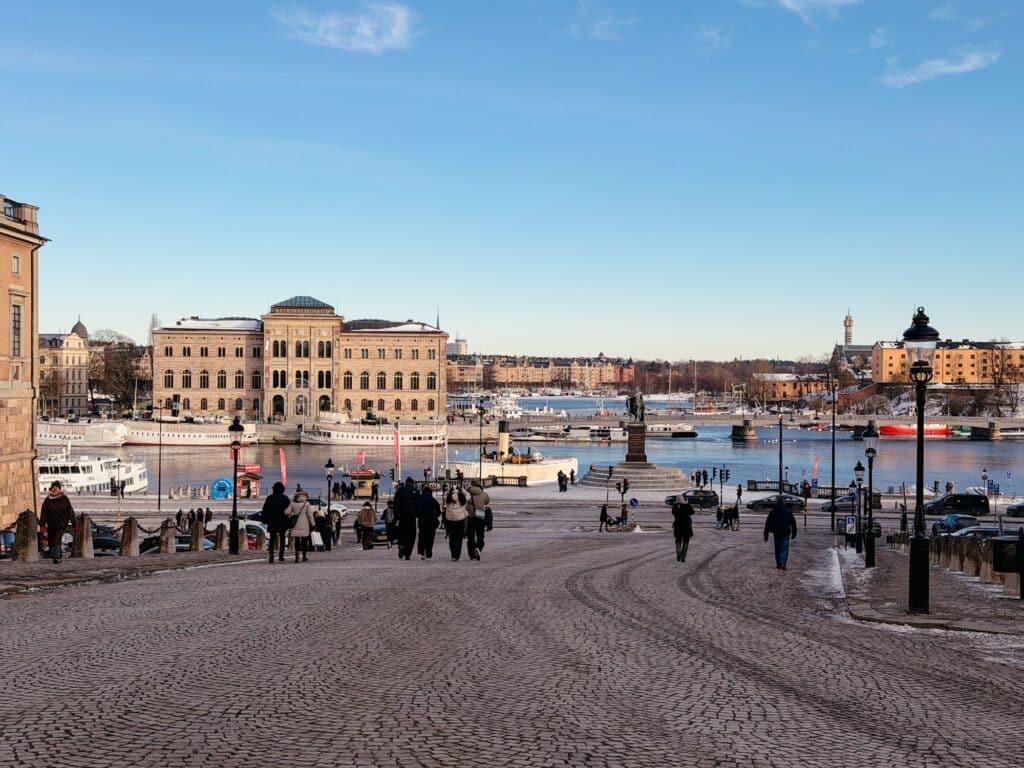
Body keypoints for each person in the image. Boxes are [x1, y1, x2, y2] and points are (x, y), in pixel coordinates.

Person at [40, 481, 75, 564]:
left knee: (56, 538)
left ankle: (56, 557)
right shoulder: (47, 500)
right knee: (52, 540)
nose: (55, 489)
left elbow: (71, 512)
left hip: (62, 523)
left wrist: (75, 524)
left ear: (59, 489)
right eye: (53, 487)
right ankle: (58, 554)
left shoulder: (64, 499)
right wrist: (42, 525)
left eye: (56, 487)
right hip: (51, 523)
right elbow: (44, 513)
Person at [261, 481, 291, 563]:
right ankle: (281, 555)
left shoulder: (270, 498)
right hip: (282, 520)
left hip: (272, 521)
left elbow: (265, 510)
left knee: (272, 539)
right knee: (282, 538)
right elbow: (289, 511)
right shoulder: (285, 498)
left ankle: (271, 555)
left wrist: (264, 519)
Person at [764, 500, 798, 570]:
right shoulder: (788, 512)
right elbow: (793, 523)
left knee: (777, 549)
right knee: (785, 549)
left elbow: (767, 524)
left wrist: (766, 535)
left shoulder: (772, 512)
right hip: (786, 533)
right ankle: (783, 563)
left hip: (776, 533)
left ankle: (779, 564)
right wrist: (794, 533)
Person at [287, 488, 315, 563]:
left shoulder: (292, 503)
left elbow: (287, 512)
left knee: (296, 541)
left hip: (295, 524)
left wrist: (292, 514)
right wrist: (313, 524)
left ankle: (297, 557)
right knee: (304, 541)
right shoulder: (306, 504)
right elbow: (310, 515)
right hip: (305, 525)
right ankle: (304, 556)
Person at [394, 477, 418, 561]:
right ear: (412, 483)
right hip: (411, 517)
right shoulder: (415, 491)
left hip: (402, 516)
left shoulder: (400, 491)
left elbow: (395, 505)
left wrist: (395, 517)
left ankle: (401, 545)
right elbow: (418, 504)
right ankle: (408, 554)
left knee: (402, 533)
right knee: (411, 535)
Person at [415, 484, 442, 559]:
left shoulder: (419, 500)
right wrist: (435, 516)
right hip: (431, 521)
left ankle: (421, 552)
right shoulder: (433, 500)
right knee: (430, 537)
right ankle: (428, 552)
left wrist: (419, 516)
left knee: (422, 536)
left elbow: (416, 510)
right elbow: (438, 511)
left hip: (422, 520)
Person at [443, 487, 469, 561]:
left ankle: (453, 553)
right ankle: (456, 555)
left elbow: (445, 494)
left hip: (450, 520)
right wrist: (463, 489)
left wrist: (448, 490)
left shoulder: (448, 498)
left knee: (452, 537)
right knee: (459, 538)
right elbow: (468, 496)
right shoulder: (462, 498)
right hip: (460, 519)